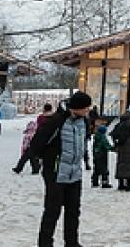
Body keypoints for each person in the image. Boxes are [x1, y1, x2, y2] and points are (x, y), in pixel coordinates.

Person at [30, 92, 92, 247]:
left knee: (73, 210)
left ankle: (71, 242)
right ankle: (45, 243)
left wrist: (84, 160)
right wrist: (48, 160)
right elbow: (37, 143)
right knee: (52, 211)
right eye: (86, 107)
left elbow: (83, 142)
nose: (88, 110)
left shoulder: (84, 121)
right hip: (56, 173)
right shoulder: (56, 121)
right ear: (76, 108)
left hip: (74, 173)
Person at [110, 104, 130, 191]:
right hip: (129, 146)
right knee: (129, 163)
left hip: (121, 145)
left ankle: (121, 184)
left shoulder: (122, 120)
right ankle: (128, 184)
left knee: (122, 163)